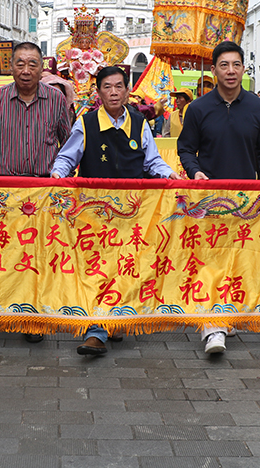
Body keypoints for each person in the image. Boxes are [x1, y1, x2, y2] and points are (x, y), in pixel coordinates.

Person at [51, 66, 177, 356]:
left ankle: (115, 318)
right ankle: (96, 330)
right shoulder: (86, 123)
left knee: (126, 266)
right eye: (107, 87)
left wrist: (170, 176)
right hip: (94, 213)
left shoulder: (138, 122)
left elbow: (152, 161)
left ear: (127, 90)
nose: (114, 92)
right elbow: (66, 158)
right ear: (98, 93)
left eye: (119, 86)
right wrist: (57, 176)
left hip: (133, 213)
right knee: (97, 268)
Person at [177, 40, 260, 354]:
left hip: (246, 202)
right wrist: (195, 171)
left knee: (237, 259)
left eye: (236, 65)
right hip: (208, 201)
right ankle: (213, 327)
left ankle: (227, 311)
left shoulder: (259, 109)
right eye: (224, 65)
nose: (231, 71)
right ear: (214, 70)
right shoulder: (197, 109)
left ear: (243, 69)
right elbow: (185, 148)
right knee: (210, 260)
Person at [0, 41, 72, 343]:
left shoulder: (56, 100)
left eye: (33, 64)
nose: (26, 70)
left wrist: (63, 183)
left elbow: (67, 144)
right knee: (7, 253)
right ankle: (7, 309)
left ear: (42, 67)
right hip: (7, 190)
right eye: (20, 63)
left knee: (39, 255)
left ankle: (34, 316)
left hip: (44, 189)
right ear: (11, 66)